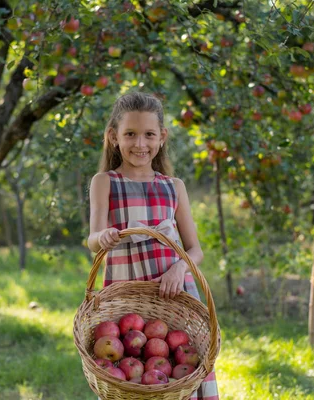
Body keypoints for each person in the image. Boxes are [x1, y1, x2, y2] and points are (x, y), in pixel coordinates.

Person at [87, 91, 219, 399]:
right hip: (127, 294)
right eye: (130, 134)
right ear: (114, 137)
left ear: (162, 137)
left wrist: (179, 268)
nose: (140, 144)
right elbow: (93, 239)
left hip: (172, 292)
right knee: (131, 372)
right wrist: (103, 237)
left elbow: (195, 249)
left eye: (149, 134)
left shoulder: (173, 187)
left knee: (179, 369)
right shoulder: (105, 182)